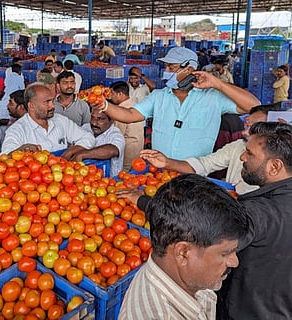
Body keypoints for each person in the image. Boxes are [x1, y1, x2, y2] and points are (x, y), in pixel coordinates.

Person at [118, 174, 248, 320]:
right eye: (225, 254)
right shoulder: (161, 314)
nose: (235, 262)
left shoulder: (186, 278)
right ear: (183, 253)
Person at [95, 46, 260, 159]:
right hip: (159, 171)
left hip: (194, 173)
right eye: (165, 67)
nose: (166, 72)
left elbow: (253, 106)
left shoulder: (213, 97)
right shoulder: (159, 96)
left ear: (188, 70)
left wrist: (218, 84)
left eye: (171, 68)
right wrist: (105, 105)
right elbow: (130, 115)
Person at [216, 122, 292, 319]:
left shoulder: (259, 212)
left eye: (249, 153)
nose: (242, 157)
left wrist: (146, 203)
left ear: (275, 166)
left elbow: (209, 238)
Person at [141, 104, 277, 195]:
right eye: (247, 125)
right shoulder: (237, 146)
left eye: (254, 128)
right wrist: (167, 162)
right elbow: (204, 164)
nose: (245, 132)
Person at [1, 83, 95, 158]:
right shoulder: (16, 130)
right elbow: (4, 158)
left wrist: (69, 153)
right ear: (31, 106)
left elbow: (88, 138)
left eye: (52, 101)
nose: (53, 106)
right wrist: (21, 150)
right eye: (47, 102)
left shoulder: (61, 120)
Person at [75, 108, 125, 178]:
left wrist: (82, 155)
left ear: (111, 120)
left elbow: (113, 150)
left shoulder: (116, 135)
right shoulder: (85, 128)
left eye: (100, 119)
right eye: (92, 117)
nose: (94, 123)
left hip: (109, 183)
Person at [109, 81, 144, 171]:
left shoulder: (121, 111)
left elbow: (117, 134)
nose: (110, 97)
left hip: (127, 155)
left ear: (120, 94)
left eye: (112, 94)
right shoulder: (135, 106)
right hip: (137, 151)